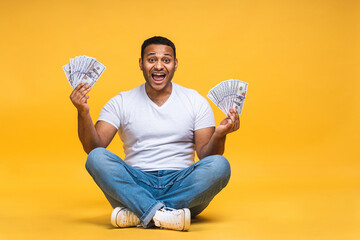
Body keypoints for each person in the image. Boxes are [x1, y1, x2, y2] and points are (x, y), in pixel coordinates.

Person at [69, 36, 240, 231]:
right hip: (135, 183)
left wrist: (219, 134)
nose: (159, 66)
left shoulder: (195, 101)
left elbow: (206, 156)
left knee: (220, 165)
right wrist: (83, 113)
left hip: (182, 185)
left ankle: (140, 213)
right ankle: (164, 215)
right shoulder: (121, 101)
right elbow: (93, 147)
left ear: (175, 64)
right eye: (152, 60)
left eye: (166, 60)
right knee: (96, 158)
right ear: (141, 64)